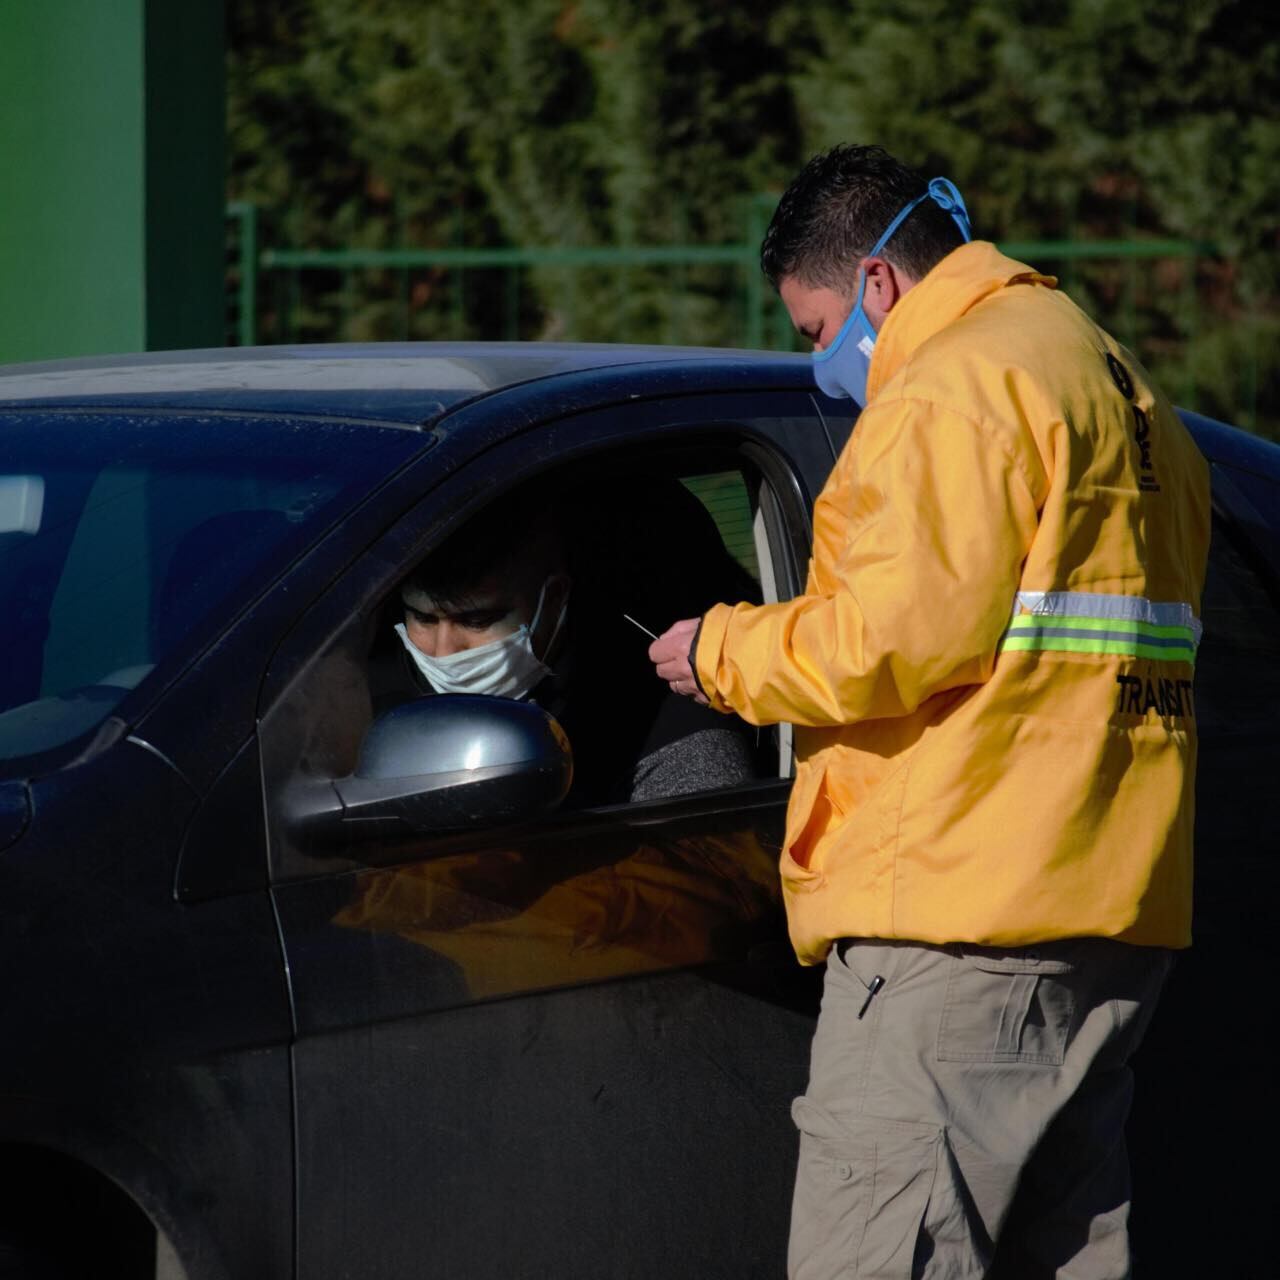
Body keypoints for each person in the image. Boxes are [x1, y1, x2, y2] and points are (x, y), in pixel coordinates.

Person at [649, 144, 1210, 1279]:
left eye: (813, 331)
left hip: (959, 926)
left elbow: (888, 636)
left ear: (875, 284)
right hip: (1106, 910)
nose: (821, 365)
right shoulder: (1105, 373)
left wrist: (719, 645)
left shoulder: (952, 384)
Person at [369, 484, 762, 806]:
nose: (443, 651)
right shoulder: (356, 702)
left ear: (553, 598)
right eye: (422, 618)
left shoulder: (663, 732)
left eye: (477, 620)